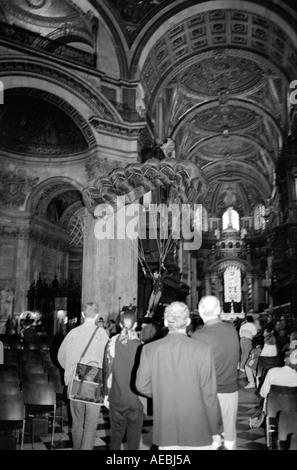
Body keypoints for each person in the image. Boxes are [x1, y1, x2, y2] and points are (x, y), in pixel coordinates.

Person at [135, 301, 221, 450]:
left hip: (166, 428)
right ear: (188, 321)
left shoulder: (149, 349)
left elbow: (141, 385)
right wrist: (216, 429)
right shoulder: (203, 350)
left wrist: (162, 392)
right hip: (197, 428)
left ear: (166, 322)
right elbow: (209, 394)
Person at [57, 302, 109, 450]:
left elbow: (61, 357)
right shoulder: (102, 334)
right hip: (95, 385)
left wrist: (72, 370)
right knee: (91, 425)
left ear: (82, 315)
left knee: (77, 423)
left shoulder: (72, 333)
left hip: (76, 383)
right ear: (97, 316)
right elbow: (109, 360)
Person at [193, 295, 240, 450]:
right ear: (220, 310)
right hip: (230, 390)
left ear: (200, 312)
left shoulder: (198, 336)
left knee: (211, 438)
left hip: (208, 395)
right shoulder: (232, 329)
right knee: (229, 437)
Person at [103, 310, 144, 450]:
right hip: (135, 399)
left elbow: (106, 370)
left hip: (117, 396)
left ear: (120, 324)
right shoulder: (141, 346)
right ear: (136, 324)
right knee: (134, 439)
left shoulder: (111, 344)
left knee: (115, 437)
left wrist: (106, 394)